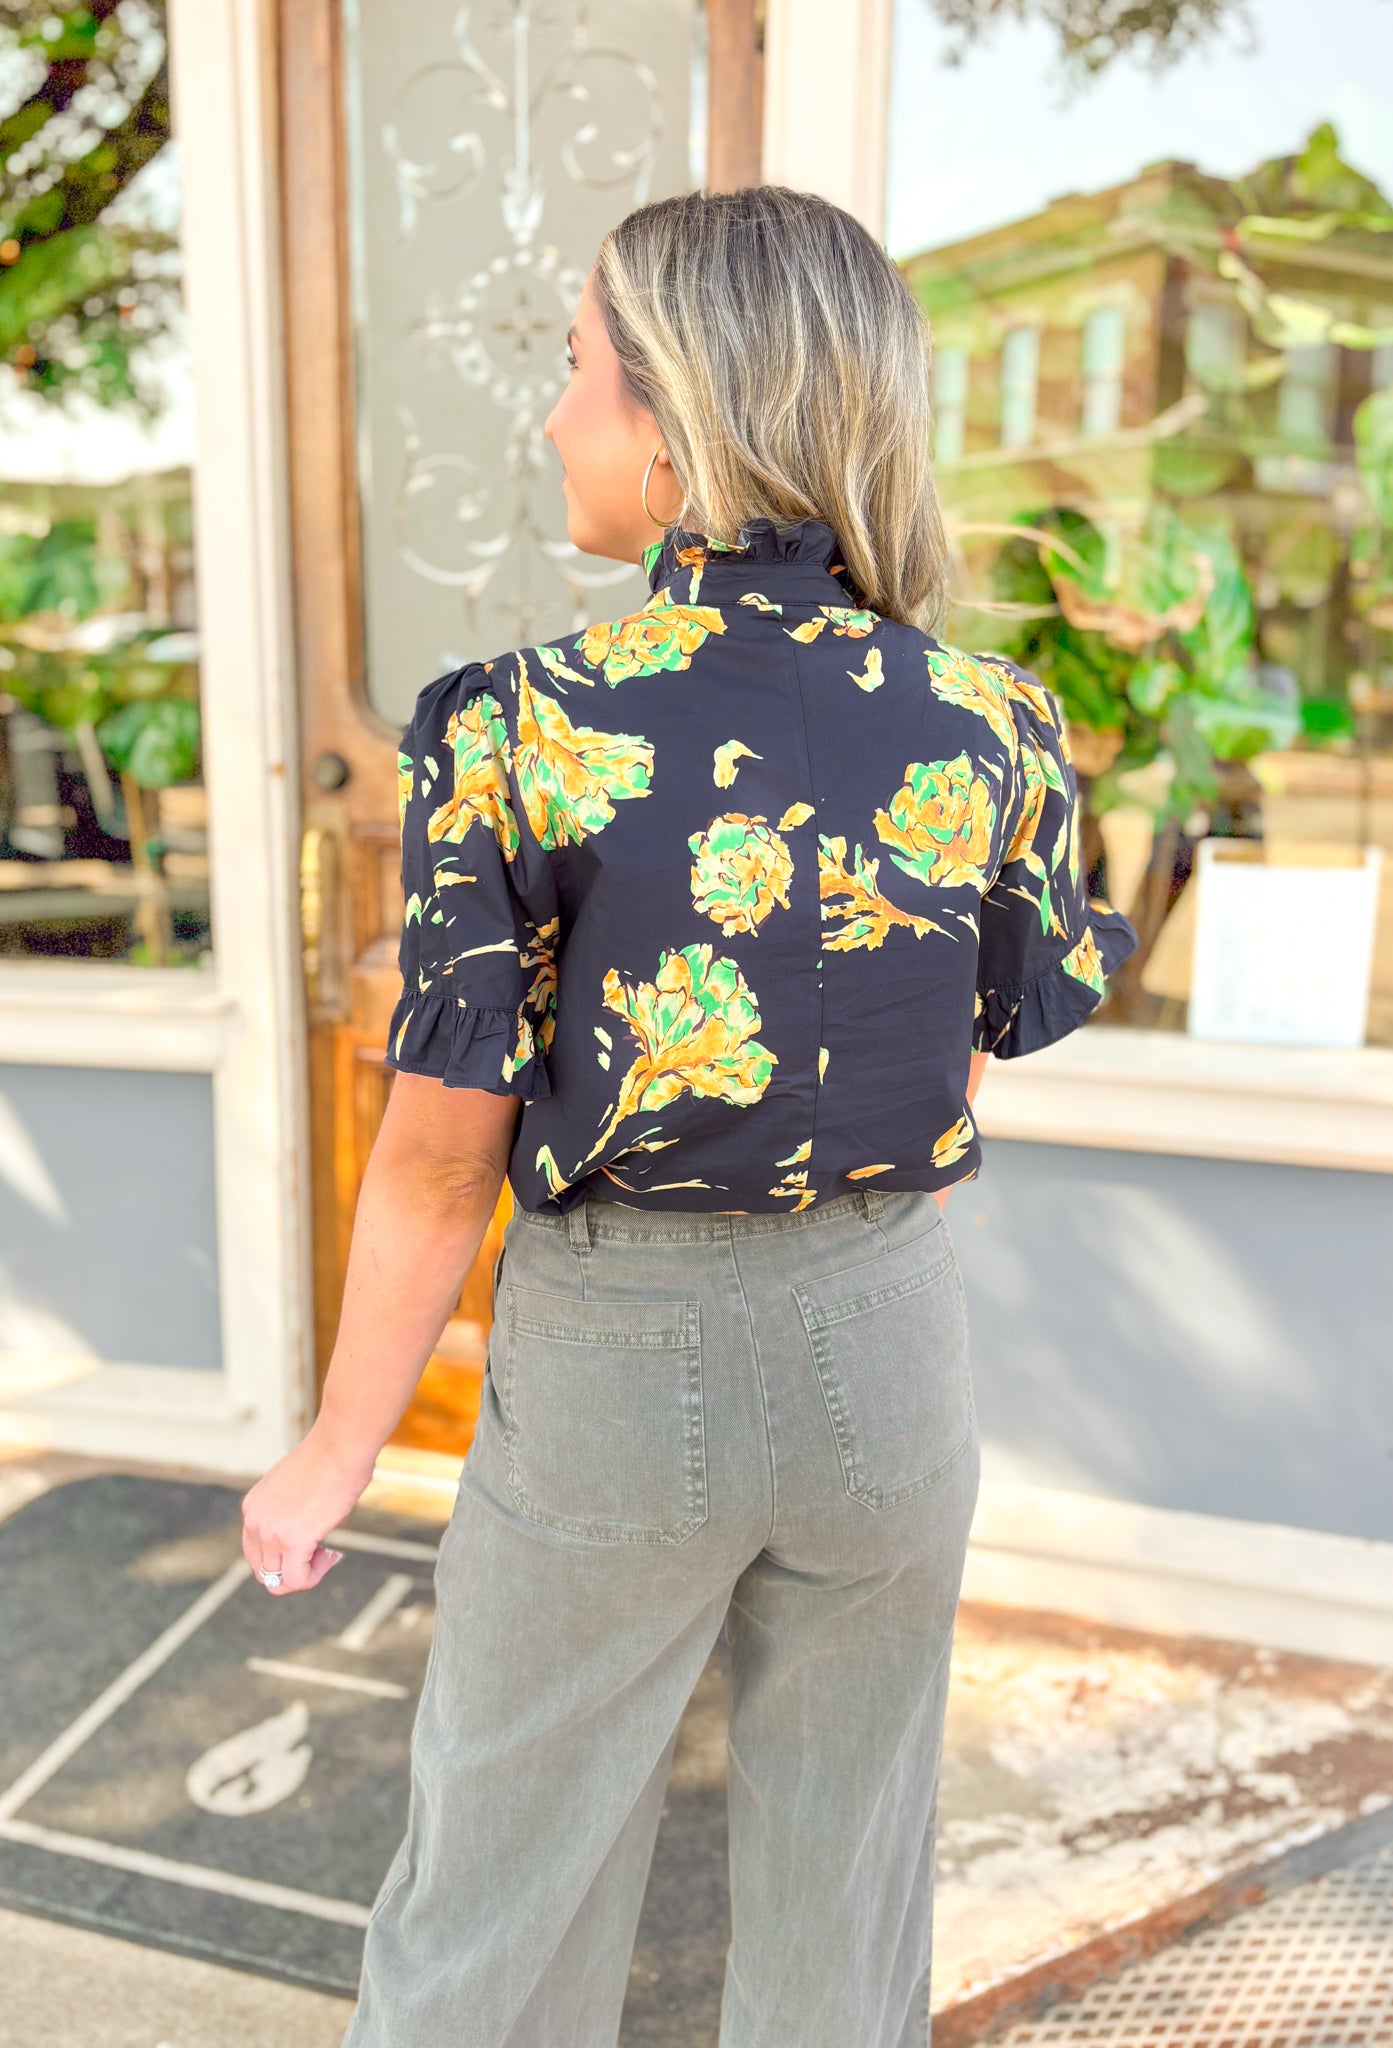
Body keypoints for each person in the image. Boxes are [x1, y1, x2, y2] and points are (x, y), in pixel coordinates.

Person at [240, 184, 1136, 2048]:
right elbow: (961, 1059)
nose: (550, 414)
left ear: (670, 423)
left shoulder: (522, 727)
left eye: (572, 370)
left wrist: (333, 1448)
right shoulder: (995, 724)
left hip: (619, 1367)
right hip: (889, 1346)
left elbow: (434, 1149)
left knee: (496, 1902)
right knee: (844, 1901)